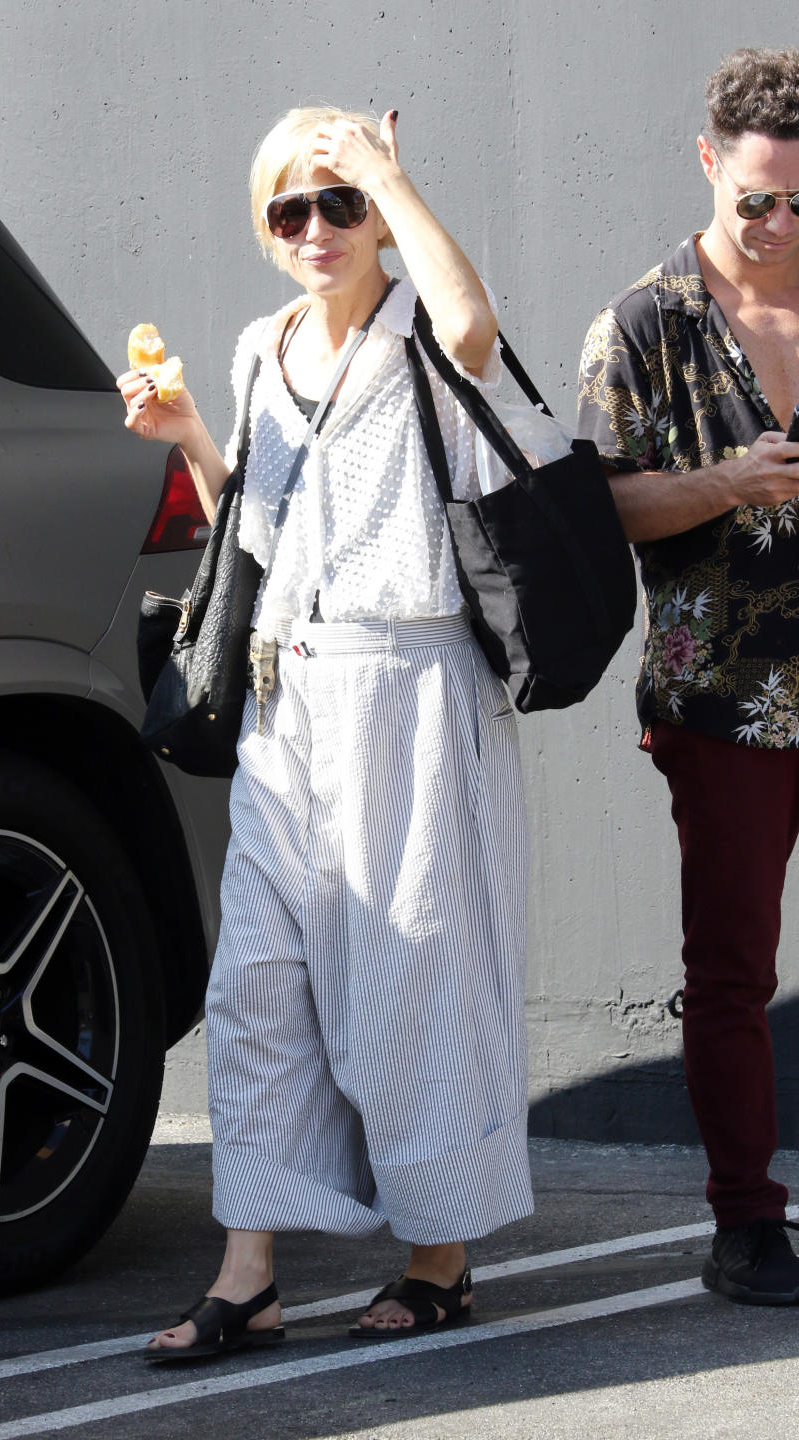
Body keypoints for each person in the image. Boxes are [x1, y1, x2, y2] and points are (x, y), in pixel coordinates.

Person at [118, 105, 532, 1357]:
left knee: (411, 975)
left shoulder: (420, 329)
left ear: (375, 218)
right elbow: (255, 528)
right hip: (287, 695)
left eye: (336, 204)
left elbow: (472, 327)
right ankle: (250, 1271)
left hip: (410, 692)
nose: (315, 229)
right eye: (289, 209)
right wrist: (188, 432)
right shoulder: (261, 347)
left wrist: (390, 179)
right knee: (256, 985)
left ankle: (440, 1256)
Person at [578, 47, 799, 1305]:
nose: (776, 228)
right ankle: (744, 1223)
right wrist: (725, 485)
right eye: (755, 200)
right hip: (724, 691)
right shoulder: (646, 321)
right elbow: (602, 505)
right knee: (733, 965)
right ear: (710, 161)